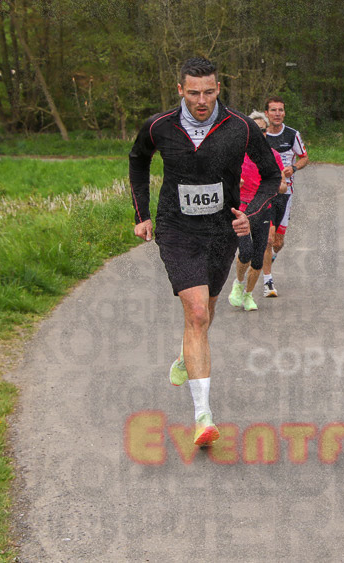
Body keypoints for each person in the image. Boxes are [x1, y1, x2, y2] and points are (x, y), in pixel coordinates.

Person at [129, 58, 281, 446]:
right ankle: (203, 417)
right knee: (196, 313)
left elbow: (271, 176)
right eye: (193, 92)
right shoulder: (159, 126)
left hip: (220, 230)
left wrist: (250, 212)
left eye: (209, 92)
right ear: (180, 89)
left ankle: (186, 356)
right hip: (177, 229)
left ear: (219, 89)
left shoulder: (241, 128)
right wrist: (142, 214)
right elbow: (138, 160)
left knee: (207, 311)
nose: (201, 99)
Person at [228, 111, 287, 311]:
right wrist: (234, 183)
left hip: (264, 208)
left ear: (266, 132)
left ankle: (248, 295)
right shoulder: (235, 155)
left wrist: (277, 186)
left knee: (259, 255)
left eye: (262, 130)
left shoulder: (274, 156)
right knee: (245, 252)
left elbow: (283, 186)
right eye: (254, 130)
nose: (258, 134)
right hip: (242, 209)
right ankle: (237, 283)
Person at [260, 97, 309, 297]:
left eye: (281, 110)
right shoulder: (260, 135)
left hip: (286, 193)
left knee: (278, 242)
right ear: (267, 113)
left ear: (284, 113)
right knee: (268, 238)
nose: (277, 113)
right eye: (273, 110)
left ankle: (266, 260)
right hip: (265, 193)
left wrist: (294, 167)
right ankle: (267, 282)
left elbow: (305, 157)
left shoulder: (292, 135)